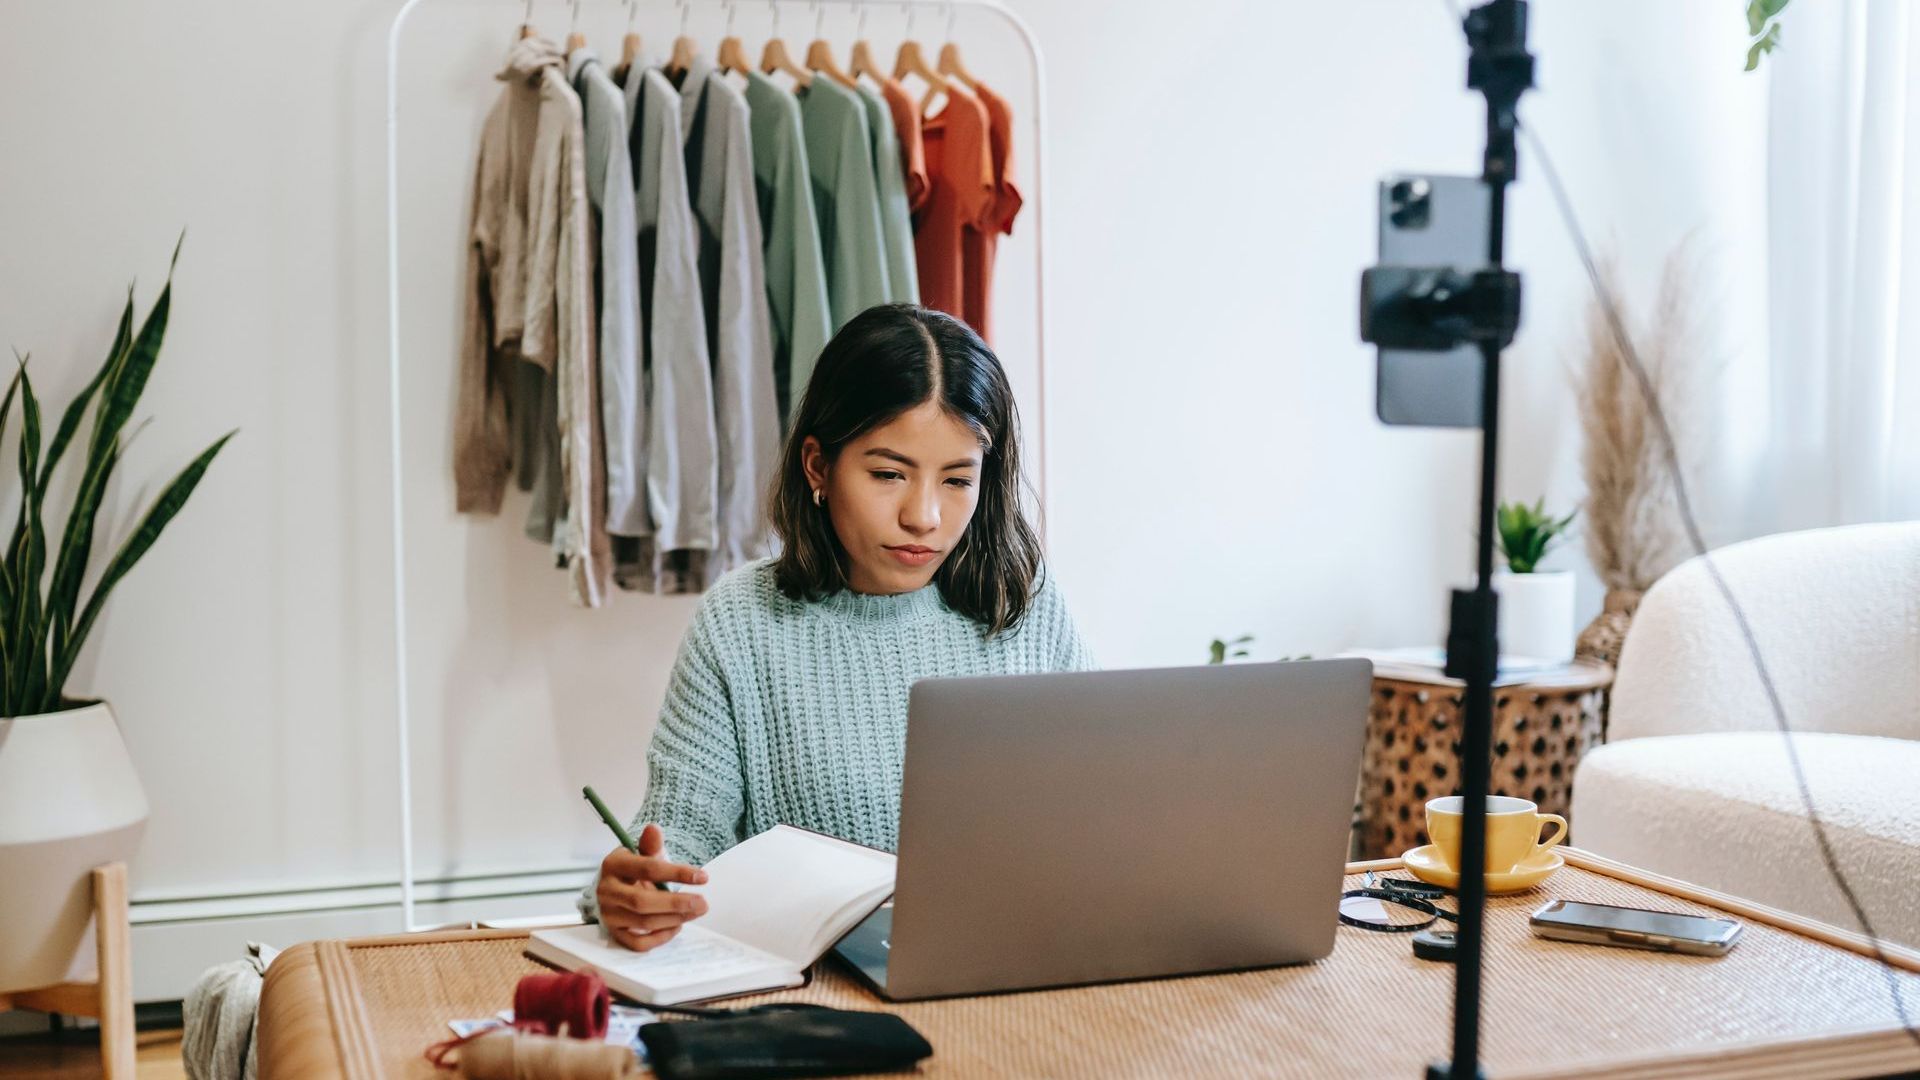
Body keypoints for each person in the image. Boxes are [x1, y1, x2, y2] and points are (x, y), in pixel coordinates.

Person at [586, 303, 1096, 951]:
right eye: (888, 474)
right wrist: (637, 891)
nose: (925, 516)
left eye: (958, 479)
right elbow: (679, 842)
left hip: (1018, 967)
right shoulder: (740, 623)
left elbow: (1103, 815)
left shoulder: (1024, 601)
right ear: (818, 467)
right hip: (820, 997)